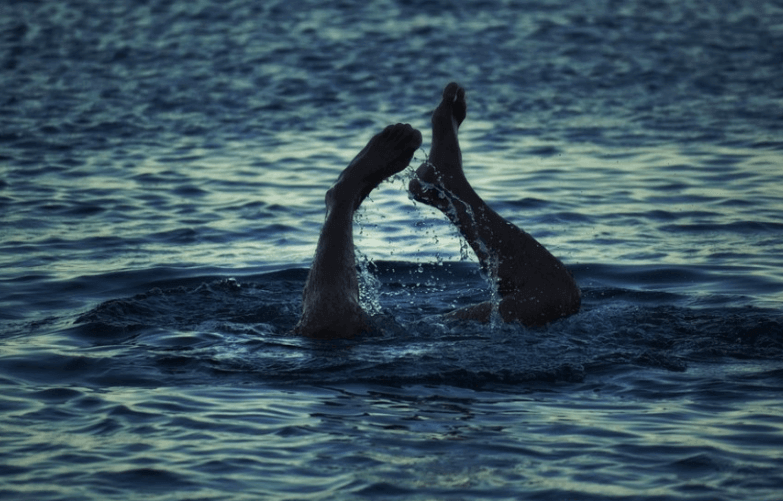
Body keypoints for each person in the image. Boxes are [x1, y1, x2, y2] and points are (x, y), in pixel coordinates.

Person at [294, 83, 580, 339]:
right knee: (331, 326)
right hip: (368, 361)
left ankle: (449, 185)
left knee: (557, 296)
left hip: (395, 346)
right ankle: (343, 198)